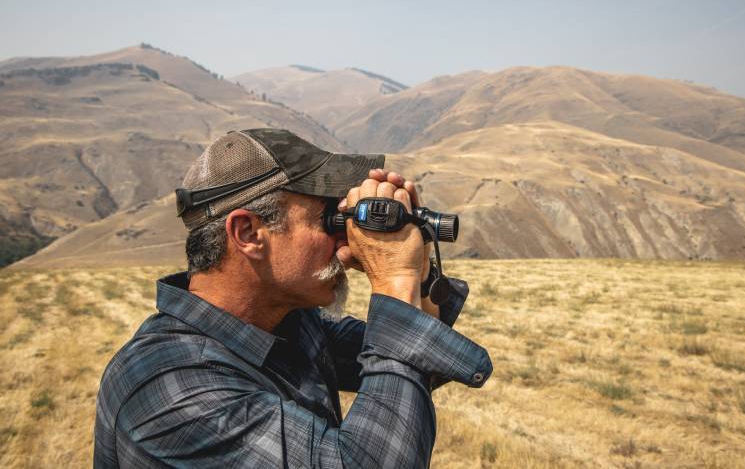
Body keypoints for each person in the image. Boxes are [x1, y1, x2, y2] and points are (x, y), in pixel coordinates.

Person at [94, 128, 492, 468]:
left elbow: (414, 369)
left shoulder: (287, 325)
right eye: (329, 219)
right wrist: (394, 280)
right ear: (248, 233)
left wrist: (415, 267)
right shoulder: (171, 389)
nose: (346, 238)